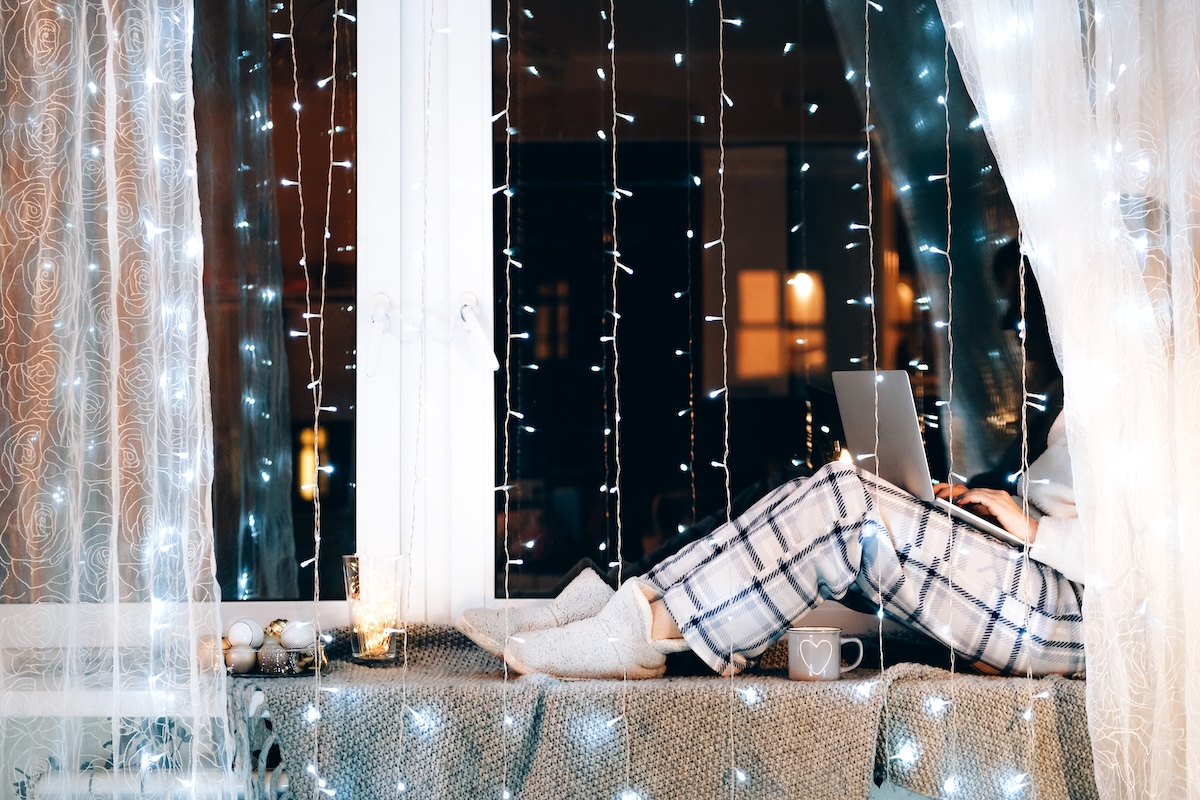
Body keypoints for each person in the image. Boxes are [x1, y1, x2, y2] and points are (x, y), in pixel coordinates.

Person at [456, 242, 1085, 680]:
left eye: (1024, 302)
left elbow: (1170, 563)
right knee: (816, 486)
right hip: (1030, 570)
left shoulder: (1164, 404)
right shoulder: (1083, 400)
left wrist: (1035, 531)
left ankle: (641, 633)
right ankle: (617, 607)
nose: (1011, 321)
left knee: (845, 507)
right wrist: (984, 503)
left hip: (1073, 612)